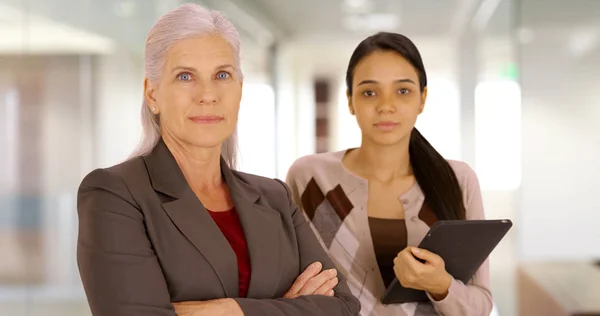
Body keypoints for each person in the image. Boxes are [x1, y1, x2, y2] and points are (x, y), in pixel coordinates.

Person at [76, 4, 360, 316]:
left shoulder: (274, 198)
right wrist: (289, 308)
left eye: (222, 75)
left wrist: (232, 311)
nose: (207, 94)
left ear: (239, 88)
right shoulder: (114, 195)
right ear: (153, 94)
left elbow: (344, 307)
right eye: (185, 76)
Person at [285, 32, 493, 316]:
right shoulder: (310, 178)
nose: (386, 106)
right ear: (350, 101)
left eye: (403, 91)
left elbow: (480, 305)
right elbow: (290, 283)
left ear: (423, 99)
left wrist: (440, 284)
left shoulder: (456, 180)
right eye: (369, 92)